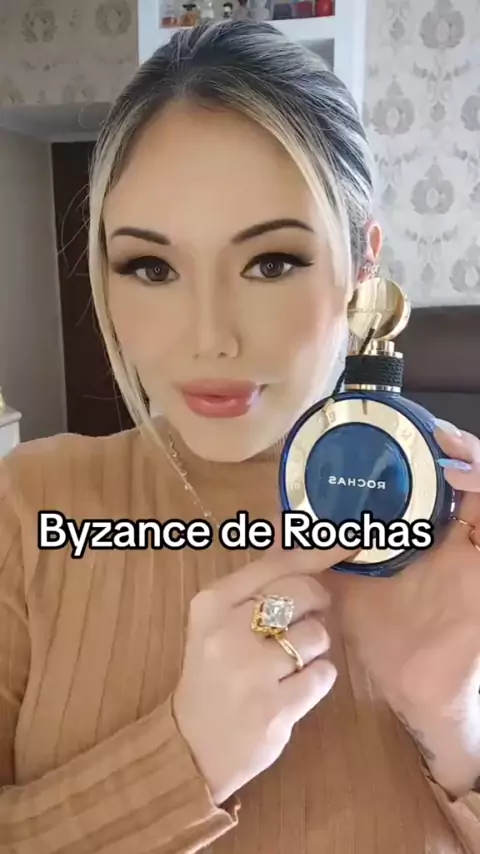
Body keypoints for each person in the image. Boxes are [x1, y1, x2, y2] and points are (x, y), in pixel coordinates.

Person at [1, 20, 480, 854]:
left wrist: (458, 729)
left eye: (272, 262)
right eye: (152, 268)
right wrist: (181, 760)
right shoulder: (26, 505)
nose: (210, 338)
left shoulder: (464, 529)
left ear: (363, 262)